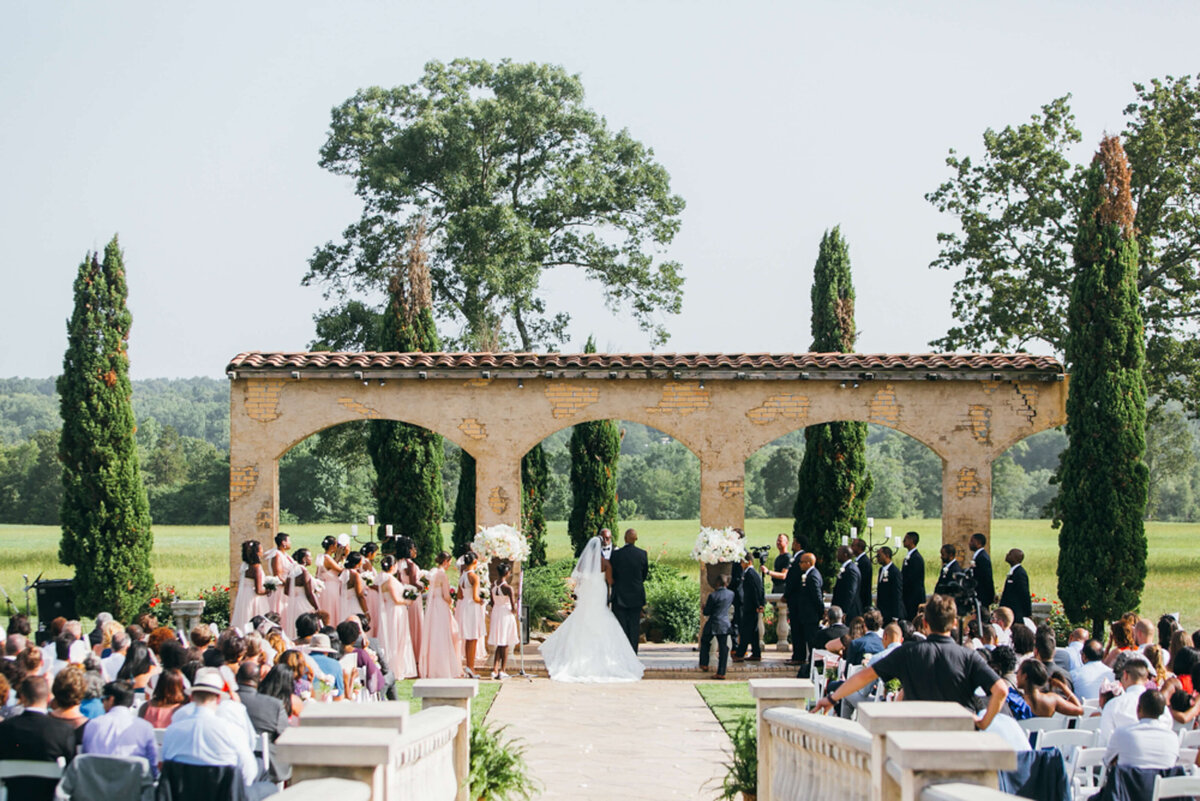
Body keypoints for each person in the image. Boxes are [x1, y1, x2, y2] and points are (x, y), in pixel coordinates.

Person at [815, 594, 1008, 730]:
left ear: (925, 624)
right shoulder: (969, 657)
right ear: (955, 623)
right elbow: (1001, 690)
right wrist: (983, 723)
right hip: (960, 735)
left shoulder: (909, 652)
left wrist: (832, 698)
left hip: (919, 735)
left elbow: (864, 676)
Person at [539, 536, 644, 683]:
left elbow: (578, 581)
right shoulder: (605, 563)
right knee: (601, 616)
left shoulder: (582, 565)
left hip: (588, 593)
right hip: (599, 591)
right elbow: (611, 581)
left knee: (583, 618)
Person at [161, 668, 273, 799]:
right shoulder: (230, 730)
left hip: (184, 796)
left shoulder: (173, 730)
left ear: (191, 697)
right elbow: (249, 773)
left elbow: (167, 769)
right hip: (225, 796)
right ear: (219, 699)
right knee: (271, 788)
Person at [0, 676, 77, 801]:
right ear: (48, 698)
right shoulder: (63, 731)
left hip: (11, 795)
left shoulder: (4, 728)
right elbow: (70, 770)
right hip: (47, 796)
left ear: (23, 698)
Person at [80, 680, 158, 776]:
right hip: (133, 786)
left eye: (103, 699)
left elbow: (86, 759)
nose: (102, 703)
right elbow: (152, 765)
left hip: (98, 785)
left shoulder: (93, 724)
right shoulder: (145, 727)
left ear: (111, 700)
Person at [234, 662, 289, 782]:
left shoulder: (225, 702)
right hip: (266, 770)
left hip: (229, 765)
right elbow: (286, 736)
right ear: (259, 679)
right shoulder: (274, 705)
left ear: (237, 678)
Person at [1098, 656, 1172, 743]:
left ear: (1125, 675)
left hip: (1124, 754)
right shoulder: (1161, 707)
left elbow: (1105, 742)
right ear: (1146, 679)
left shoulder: (1113, 705)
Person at [1104, 690, 1179, 770]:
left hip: (1130, 782)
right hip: (1162, 781)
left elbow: (1107, 762)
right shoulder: (1173, 738)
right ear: (1163, 712)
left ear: (1138, 709)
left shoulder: (1121, 734)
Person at [420, 551, 463, 679]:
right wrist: (452, 601)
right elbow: (446, 595)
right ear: (445, 562)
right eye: (449, 562)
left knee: (433, 634)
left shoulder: (432, 572)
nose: (449, 565)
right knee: (443, 635)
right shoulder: (442, 575)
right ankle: (443, 667)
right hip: (441, 606)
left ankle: (431, 667)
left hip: (433, 607)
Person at [376, 555, 418, 680]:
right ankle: (394, 667)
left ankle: (396, 666)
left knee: (395, 636)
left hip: (393, 611)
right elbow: (395, 599)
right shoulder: (389, 580)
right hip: (395, 611)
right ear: (393, 566)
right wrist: (408, 601)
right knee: (395, 637)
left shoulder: (384, 579)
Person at [609, 528, 649, 653]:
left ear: (625, 539)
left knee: (621, 626)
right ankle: (633, 654)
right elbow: (644, 575)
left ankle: (623, 653)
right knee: (634, 626)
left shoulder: (616, 555)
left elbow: (613, 574)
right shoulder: (642, 554)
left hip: (620, 595)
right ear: (636, 539)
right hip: (636, 595)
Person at [786, 551, 823, 674]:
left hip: (810, 616)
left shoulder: (812, 576)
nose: (799, 564)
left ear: (809, 563)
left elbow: (817, 597)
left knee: (812, 641)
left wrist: (821, 613)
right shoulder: (808, 574)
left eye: (801, 562)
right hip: (805, 614)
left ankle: (814, 665)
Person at [1015, 660, 1084, 717]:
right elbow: (1080, 710)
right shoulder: (1052, 699)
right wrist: (1064, 687)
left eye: (1018, 672)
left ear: (1024, 676)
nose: (1016, 676)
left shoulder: (1015, 701)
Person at [396, 536, 425, 672]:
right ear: (409, 550)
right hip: (413, 598)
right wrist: (423, 585)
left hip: (403, 597)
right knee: (416, 625)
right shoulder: (411, 565)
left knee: (407, 625)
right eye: (413, 548)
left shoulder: (398, 564)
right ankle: (417, 657)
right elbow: (414, 582)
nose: (415, 551)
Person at [455, 551, 485, 679]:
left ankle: (469, 665)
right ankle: (470, 667)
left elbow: (459, 595)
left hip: (464, 606)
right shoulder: (474, 577)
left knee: (469, 638)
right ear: (475, 562)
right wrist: (483, 600)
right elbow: (475, 597)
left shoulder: (462, 576)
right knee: (473, 637)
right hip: (472, 607)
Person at [232, 540, 272, 634]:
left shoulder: (245, 565)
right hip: (254, 598)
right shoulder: (256, 567)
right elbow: (258, 590)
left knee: (245, 616)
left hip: (245, 596)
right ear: (257, 552)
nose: (262, 551)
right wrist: (268, 590)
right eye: (261, 549)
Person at [488, 563, 520, 680]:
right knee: (505, 642)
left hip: (496, 612)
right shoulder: (508, 588)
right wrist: (515, 608)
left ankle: (495, 669)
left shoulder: (492, 585)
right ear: (507, 573)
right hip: (505, 614)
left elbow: (492, 602)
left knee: (499, 642)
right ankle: (502, 670)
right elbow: (513, 606)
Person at [699, 574, 734, 679]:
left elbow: (707, 612)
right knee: (723, 648)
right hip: (724, 623)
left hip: (713, 622)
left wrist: (703, 608)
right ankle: (721, 672)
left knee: (705, 641)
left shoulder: (713, 596)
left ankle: (704, 663)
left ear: (717, 583)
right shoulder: (731, 594)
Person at [732, 551, 765, 663]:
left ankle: (740, 653)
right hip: (750, 606)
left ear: (749, 562)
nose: (741, 564)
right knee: (754, 630)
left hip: (750, 607)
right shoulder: (751, 573)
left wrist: (758, 605)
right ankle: (756, 652)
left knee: (746, 630)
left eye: (743, 562)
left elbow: (755, 591)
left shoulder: (750, 574)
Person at [285, 547, 319, 639]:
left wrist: (295, 593)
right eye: (310, 556)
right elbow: (309, 593)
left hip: (293, 603)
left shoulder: (292, 570)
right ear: (304, 559)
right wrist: (316, 607)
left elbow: (286, 591)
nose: (311, 558)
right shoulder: (304, 571)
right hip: (303, 602)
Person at [264, 531, 296, 621]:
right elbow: (278, 575)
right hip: (281, 589)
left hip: (286, 588)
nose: (290, 543)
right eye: (289, 541)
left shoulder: (285, 555)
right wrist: (290, 585)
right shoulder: (277, 555)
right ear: (283, 542)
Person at [305, 633, 345, 701]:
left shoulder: (303, 661)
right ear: (327, 650)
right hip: (328, 706)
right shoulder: (336, 664)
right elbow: (339, 695)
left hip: (305, 703)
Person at [316, 534, 344, 625]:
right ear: (332, 546)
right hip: (331, 588)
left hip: (327, 586)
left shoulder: (322, 557)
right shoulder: (327, 559)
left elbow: (333, 564)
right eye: (336, 545)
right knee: (332, 608)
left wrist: (339, 556)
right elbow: (341, 570)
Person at [998, 549, 1032, 623]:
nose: (1007, 555)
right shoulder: (1013, 572)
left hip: (1016, 613)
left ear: (1015, 558)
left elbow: (1024, 593)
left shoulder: (1020, 573)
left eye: (1010, 554)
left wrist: (1027, 613)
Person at [832, 545, 863, 621]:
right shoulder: (846, 568)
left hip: (850, 612)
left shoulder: (851, 570)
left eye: (838, 553)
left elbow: (851, 592)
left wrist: (844, 611)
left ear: (845, 555)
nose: (837, 555)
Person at [900, 531, 925, 623]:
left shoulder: (916, 558)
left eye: (905, 539)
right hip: (908, 596)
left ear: (911, 541)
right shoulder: (909, 556)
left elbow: (914, 579)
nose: (903, 541)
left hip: (913, 597)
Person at [874, 547, 904, 624]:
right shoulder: (881, 570)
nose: (877, 558)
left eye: (879, 555)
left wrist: (895, 617)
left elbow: (897, 595)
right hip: (883, 612)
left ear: (887, 555)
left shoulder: (894, 572)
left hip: (891, 613)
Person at [968, 533, 995, 608]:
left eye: (972, 541)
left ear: (979, 543)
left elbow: (986, 578)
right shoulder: (978, 556)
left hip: (982, 594)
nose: (969, 543)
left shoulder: (982, 557)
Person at [341, 551, 370, 618]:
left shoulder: (344, 572)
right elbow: (360, 596)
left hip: (345, 604)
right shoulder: (355, 575)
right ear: (358, 562)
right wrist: (366, 612)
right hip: (354, 604)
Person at [851, 538, 873, 615]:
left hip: (862, 601)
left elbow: (863, 584)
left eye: (853, 545)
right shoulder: (858, 561)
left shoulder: (864, 562)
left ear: (859, 548)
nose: (851, 547)